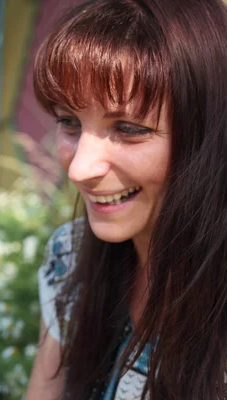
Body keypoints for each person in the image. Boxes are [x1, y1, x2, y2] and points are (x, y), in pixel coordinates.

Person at [24, 0, 227, 399]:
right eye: (69, 122)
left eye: (129, 128)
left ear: (209, 134)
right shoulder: (71, 257)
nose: (80, 169)